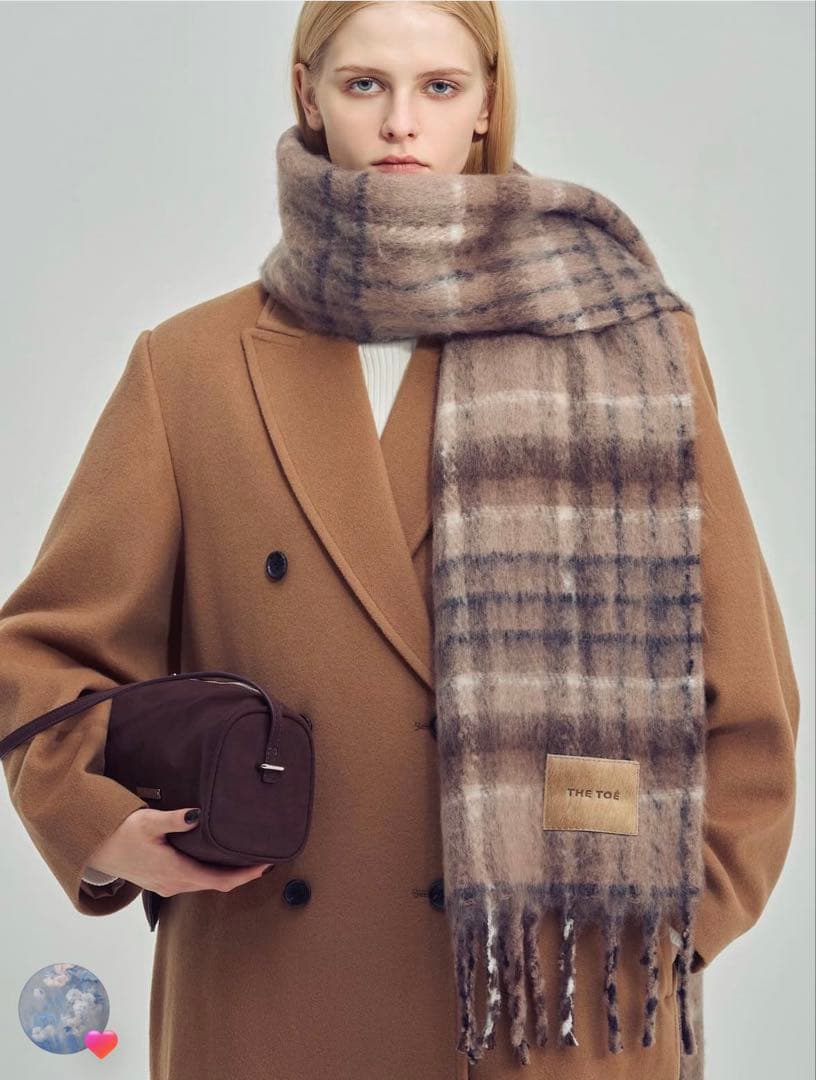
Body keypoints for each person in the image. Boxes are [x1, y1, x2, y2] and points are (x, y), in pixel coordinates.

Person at [0, 4, 799, 1080]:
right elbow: (43, 654)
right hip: (273, 997)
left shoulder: (633, 351)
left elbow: (746, 701)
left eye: (440, 86)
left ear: (486, 104)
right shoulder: (192, 366)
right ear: (307, 93)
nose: (400, 124)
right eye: (365, 84)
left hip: (558, 1004)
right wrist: (98, 825)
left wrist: (662, 934)